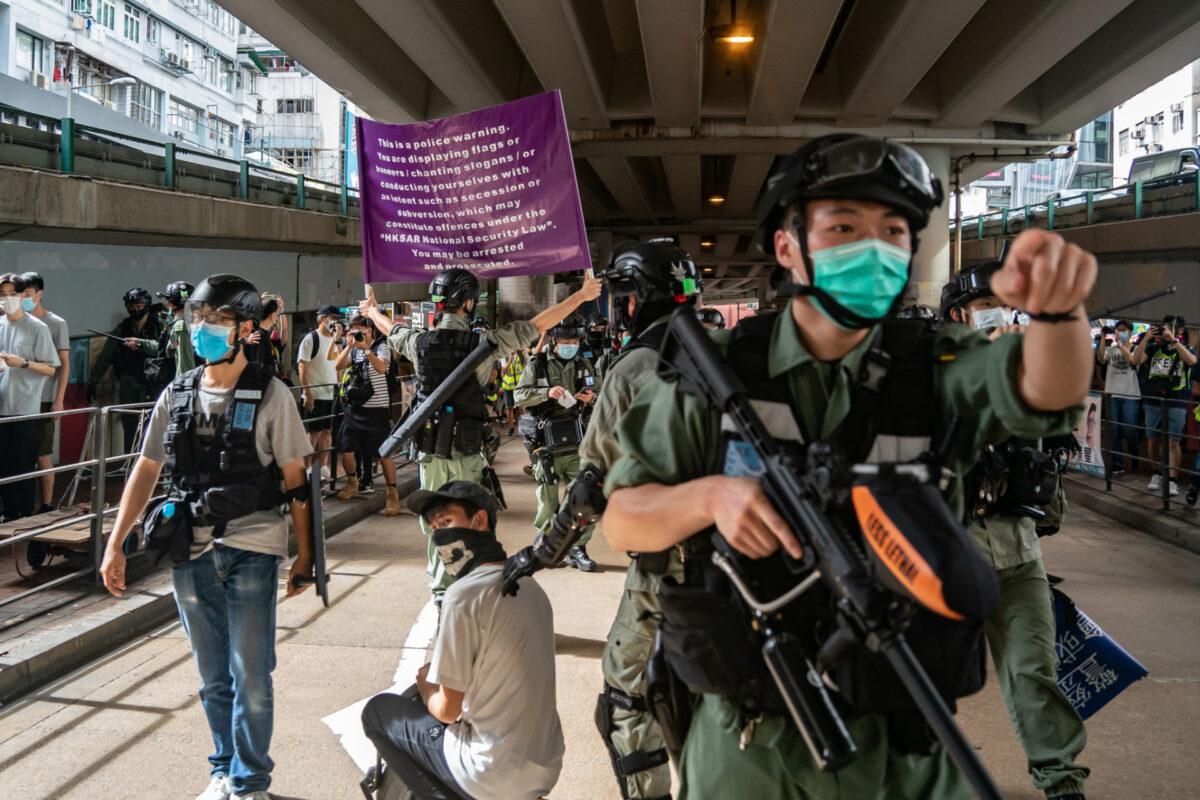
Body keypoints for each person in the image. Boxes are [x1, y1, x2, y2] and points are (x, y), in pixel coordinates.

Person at [600, 134, 1096, 799]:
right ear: (786, 246)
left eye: (894, 231)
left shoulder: (938, 364)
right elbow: (623, 521)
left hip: (907, 741)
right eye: (843, 227)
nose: (874, 248)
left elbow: (1045, 390)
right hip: (751, 742)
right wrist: (708, 499)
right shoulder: (714, 371)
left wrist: (1059, 313)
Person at [98, 274, 315, 800]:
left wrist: (305, 554)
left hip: (253, 548)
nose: (204, 329)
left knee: (253, 676)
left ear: (244, 329)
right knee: (213, 675)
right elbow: (146, 468)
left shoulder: (272, 395)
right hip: (188, 549)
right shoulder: (177, 392)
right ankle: (223, 770)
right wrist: (115, 540)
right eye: (199, 319)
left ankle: (250, 782)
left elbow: (296, 479)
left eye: (217, 320)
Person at [503, 238, 702, 800]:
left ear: (635, 300)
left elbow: (592, 484)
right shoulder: (728, 352)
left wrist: (541, 553)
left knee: (626, 697)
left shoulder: (635, 366)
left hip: (669, 563)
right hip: (743, 561)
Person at [359, 268, 601, 604]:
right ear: (470, 303)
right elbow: (538, 326)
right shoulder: (484, 344)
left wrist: (371, 310)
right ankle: (472, 587)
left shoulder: (418, 342)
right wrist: (581, 296)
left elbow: (393, 330)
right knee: (473, 518)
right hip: (468, 450)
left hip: (430, 454)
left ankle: (442, 594)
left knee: (437, 520)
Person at [942, 261, 1090, 800]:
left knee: (1033, 672)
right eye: (988, 306)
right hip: (945, 557)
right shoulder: (938, 368)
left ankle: (1061, 780)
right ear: (959, 314)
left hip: (1017, 553)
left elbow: (1057, 440)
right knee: (923, 683)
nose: (1000, 315)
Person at [362, 480, 563, 800]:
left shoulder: (464, 595)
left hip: (491, 771)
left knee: (378, 712)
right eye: (435, 527)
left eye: (447, 522)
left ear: (479, 521)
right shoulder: (531, 588)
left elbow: (448, 711)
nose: (440, 536)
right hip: (544, 766)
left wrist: (429, 688)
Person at [514, 313, 600, 571]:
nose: (570, 345)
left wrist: (591, 398)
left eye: (574, 341)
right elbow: (519, 395)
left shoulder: (584, 364)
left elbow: (601, 393)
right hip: (545, 443)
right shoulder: (537, 364)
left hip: (577, 440)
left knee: (585, 496)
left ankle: (578, 547)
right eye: (565, 340)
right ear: (553, 340)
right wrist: (546, 393)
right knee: (548, 497)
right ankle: (545, 542)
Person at [0, 273, 60, 526]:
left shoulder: (38, 328)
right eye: (2, 295)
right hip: (1, 406)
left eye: (12, 294)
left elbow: (51, 368)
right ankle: (7, 515)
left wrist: (23, 362)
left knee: (23, 465)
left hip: (26, 408)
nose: (7, 300)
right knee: (3, 465)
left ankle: (23, 517)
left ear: (24, 295)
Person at [334, 314, 401, 515]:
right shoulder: (354, 349)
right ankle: (352, 482)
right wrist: (348, 345)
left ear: (370, 330)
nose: (358, 333)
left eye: (361, 329)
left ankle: (392, 494)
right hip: (355, 407)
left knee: (383, 453)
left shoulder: (381, 347)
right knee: (346, 448)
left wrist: (366, 350)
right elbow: (338, 366)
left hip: (377, 410)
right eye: (354, 329)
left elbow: (382, 367)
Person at [89, 287, 164, 453]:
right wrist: (93, 381)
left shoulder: (159, 325)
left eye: (139, 306)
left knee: (152, 423)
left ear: (147, 305)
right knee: (129, 423)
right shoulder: (123, 327)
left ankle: (150, 461)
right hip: (128, 380)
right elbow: (106, 355)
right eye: (131, 306)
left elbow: (164, 349)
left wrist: (142, 345)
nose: (135, 310)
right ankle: (129, 461)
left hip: (153, 383)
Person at [20, 272, 70, 515]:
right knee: (19, 453)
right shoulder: (15, 322)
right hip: (19, 399)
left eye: (27, 294)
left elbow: (64, 364)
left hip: (44, 398)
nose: (22, 298)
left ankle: (47, 504)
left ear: (39, 294)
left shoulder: (55, 323)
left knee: (41, 453)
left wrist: (59, 399)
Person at [1131, 315, 1196, 496]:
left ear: (1180, 330)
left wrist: (1173, 341)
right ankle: (1156, 473)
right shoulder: (1152, 348)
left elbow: (1192, 361)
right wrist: (1145, 339)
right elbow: (1135, 360)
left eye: (1169, 327)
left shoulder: (1186, 348)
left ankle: (1172, 480)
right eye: (1163, 328)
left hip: (1177, 400)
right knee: (1152, 440)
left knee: (1173, 441)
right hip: (1153, 400)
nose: (1164, 330)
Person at [297, 304, 342, 476]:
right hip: (315, 394)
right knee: (313, 433)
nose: (335, 322)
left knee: (327, 431)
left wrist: (339, 387)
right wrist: (307, 392)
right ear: (323, 318)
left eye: (337, 319)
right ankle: (306, 469)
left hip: (331, 393)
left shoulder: (335, 340)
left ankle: (324, 468)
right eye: (333, 318)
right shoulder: (311, 339)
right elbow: (303, 366)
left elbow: (337, 366)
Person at [1097, 319, 1141, 474]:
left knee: (1129, 430)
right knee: (1113, 430)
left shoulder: (1136, 348)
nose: (1120, 332)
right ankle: (1117, 462)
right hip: (1112, 394)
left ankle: (1135, 454)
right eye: (1117, 330)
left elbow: (1133, 360)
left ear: (1130, 332)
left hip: (1130, 395)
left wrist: (1122, 346)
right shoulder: (1113, 349)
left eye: (1123, 330)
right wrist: (1103, 338)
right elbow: (1101, 357)